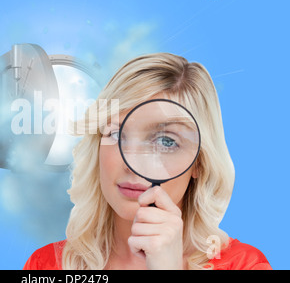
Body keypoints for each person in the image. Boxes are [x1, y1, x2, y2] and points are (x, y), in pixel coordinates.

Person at [23, 53, 271, 270]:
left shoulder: (245, 266)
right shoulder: (48, 266)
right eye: (117, 134)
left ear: (199, 163)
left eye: (165, 141)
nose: (132, 163)